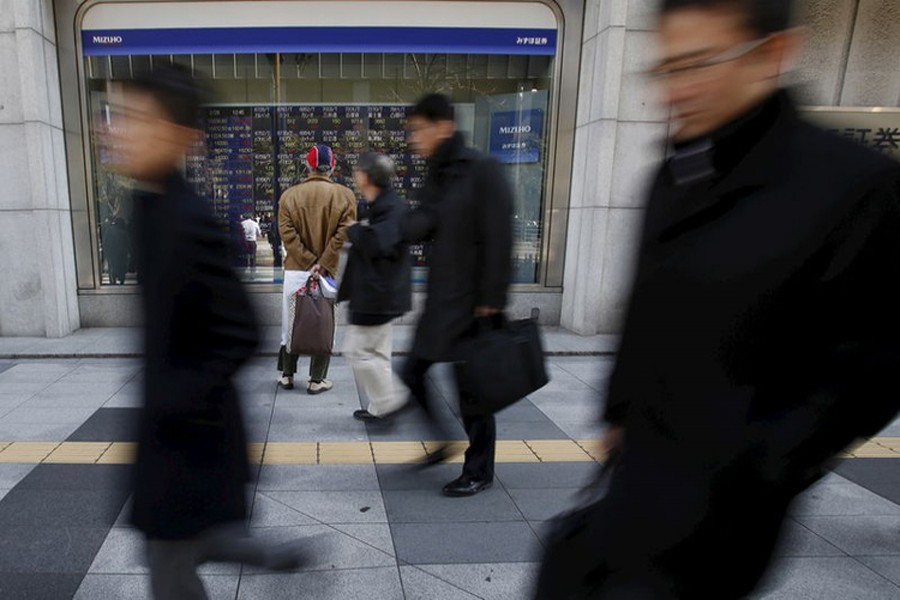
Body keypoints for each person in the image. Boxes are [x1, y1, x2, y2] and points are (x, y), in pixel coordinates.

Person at [534, 1, 900, 598]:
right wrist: (620, 413)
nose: (676, 89)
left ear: (772, 53)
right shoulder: (675, 172)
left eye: (698, 64)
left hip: (731, 501)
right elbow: (647, 309)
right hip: (641, 466)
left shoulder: (852, 186)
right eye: (666, 69)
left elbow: (877, 364)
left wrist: (765, 462)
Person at [110, 65, 305, 600]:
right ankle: (255, 549)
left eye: (136, 119)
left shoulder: (186, 218)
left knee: (170, 570)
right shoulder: (150, 207)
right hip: (174, 435)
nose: (117, 131)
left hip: (188, 441)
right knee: (177, 551)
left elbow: (243, 330)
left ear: (178, 136)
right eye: (119, 117)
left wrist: (176, 401)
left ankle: (254, 548)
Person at [401, 93, 514, 497]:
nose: (413, 139)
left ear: (442, 126)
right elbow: (424, 223)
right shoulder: (437, 173)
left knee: (474, 393)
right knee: (411, 372)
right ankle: (443, 443)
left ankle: (479, 469)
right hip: (440, 301)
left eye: (418, 130)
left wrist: (493, 298)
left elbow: (501, 236)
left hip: (473, 303)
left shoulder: (481, 169)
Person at [338, 153, 412, 422]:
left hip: (377, 295)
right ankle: (380, 408)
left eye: (358, 171)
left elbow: (381, 243)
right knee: (378, 353)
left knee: (356, 352)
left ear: (367, 177)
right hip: (379, 293)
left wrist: (354, 230)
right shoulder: (384, 204)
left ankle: (392, 400)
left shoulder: (391, 206)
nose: (355, 175)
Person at [278, 144, 356, 394]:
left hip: (295, 270)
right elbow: (343, 234)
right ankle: (316, 380)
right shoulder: (345, 196)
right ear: (332, 166)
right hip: (326, 272)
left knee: (289, 323)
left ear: (308, 165)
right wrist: (322, 264)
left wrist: (309, 260)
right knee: (324, 322)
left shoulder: (289, 196)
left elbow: (287, 235)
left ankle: (287, 376)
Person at [102, 215, 129, 284]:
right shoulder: (124, 232)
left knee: (112, 266)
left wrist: (106, 251)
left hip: (112, 252)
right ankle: (121, 279)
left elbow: (106, 242)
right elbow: (127, 243)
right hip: (122, 253)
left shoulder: (110, 230)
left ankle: (113, 280)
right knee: (121, 266)